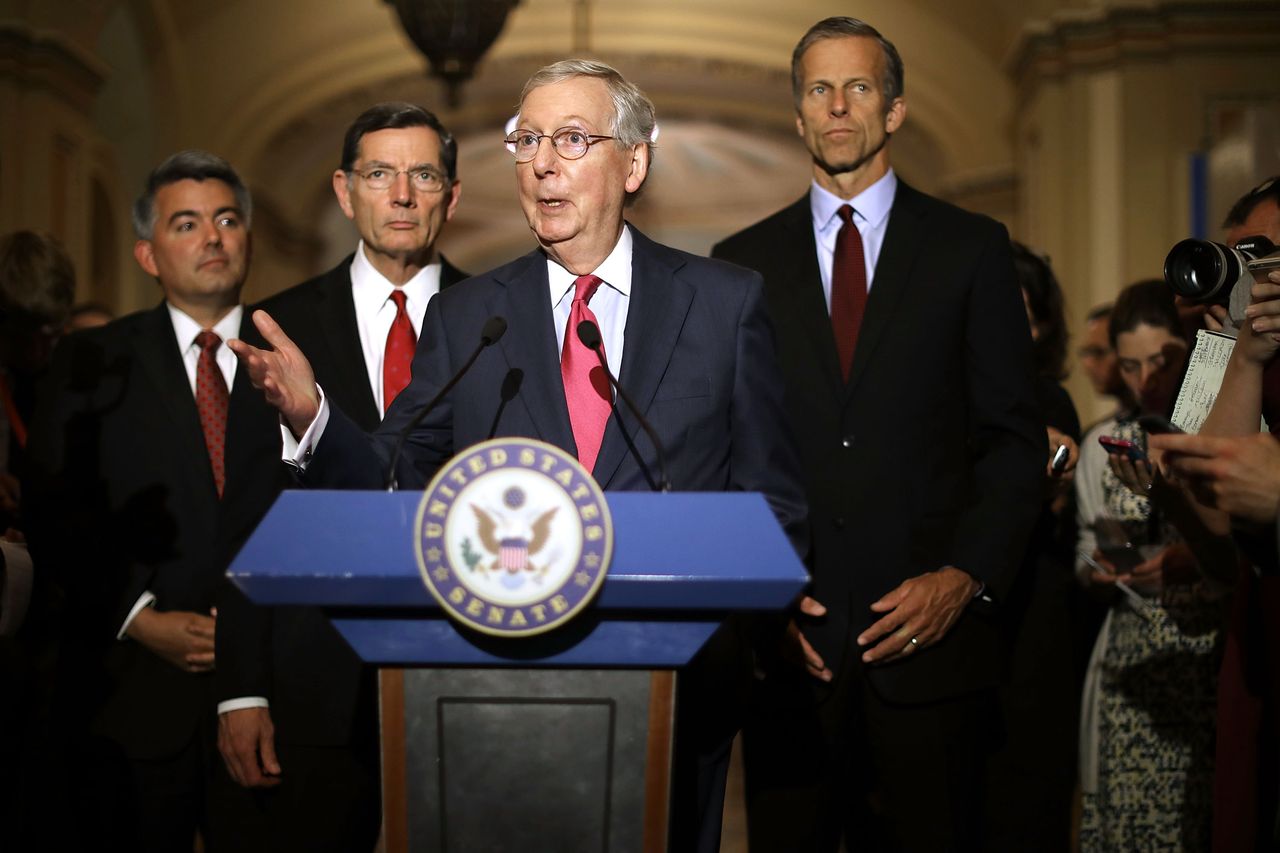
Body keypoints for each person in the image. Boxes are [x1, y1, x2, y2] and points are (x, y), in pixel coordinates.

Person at [229, 59, 807, 851]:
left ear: (633, 162)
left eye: (571, 138)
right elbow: (393, 473)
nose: (540, 162)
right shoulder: (470, 318)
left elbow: (776, 504)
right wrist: (316, 417)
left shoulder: (725, 303)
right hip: (501, 685)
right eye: (527, 139)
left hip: (681, 687)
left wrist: (727, 621)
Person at [709, 16, 1044, 851]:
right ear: (798, 115)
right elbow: (729, 456)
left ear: (893, 110)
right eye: (818, 89)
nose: (837, 106)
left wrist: (965, 576)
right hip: (795, 656)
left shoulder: (970, 249)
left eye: (859, 87)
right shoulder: (739, 264)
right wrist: (761, 602)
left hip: (934, 651)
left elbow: (1012, 437)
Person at [212, 102, 467, 851]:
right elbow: (250, 518)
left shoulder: (503, 317)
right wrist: (241, 685)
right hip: (310, 683)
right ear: (343, 190)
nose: (402, 195)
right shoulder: (274, 326)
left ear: (452, 197)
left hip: (455, 675)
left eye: (424, 175)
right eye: (380, 174)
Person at [24, 151, 286, 851]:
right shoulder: (89, 361)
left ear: (249, 238)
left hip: (273, 696)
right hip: (128, 698)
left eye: (228, 220)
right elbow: (54, 509)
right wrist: (138, 616)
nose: (213, 238)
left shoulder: (293, 355)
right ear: (147, 252)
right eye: (187, 223)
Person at [1074, 279, 1232, 851]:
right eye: (1131, 365)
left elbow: (1245, 549)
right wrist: (1110, 567)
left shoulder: (1222, 432)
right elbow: (1097, 548)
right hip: (1134, 671)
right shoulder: (1106, 443)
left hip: (1209, 657)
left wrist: (1194, 556)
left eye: (1160, 362)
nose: (1146, 381)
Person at [1150, 174, 1280, 851]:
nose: (1241, 273)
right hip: (1259, 633)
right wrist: (1236, 345)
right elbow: (1215, 512)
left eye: (1261, 254)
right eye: (1237, 256)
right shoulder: (1239, 348)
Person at [982, 243, 1080, 850]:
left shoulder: (1045, 396)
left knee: (1027, 793)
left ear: (1041, 325)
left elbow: (1055, 471)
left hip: (1032, 613)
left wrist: (1054, 465)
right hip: (966, 613)